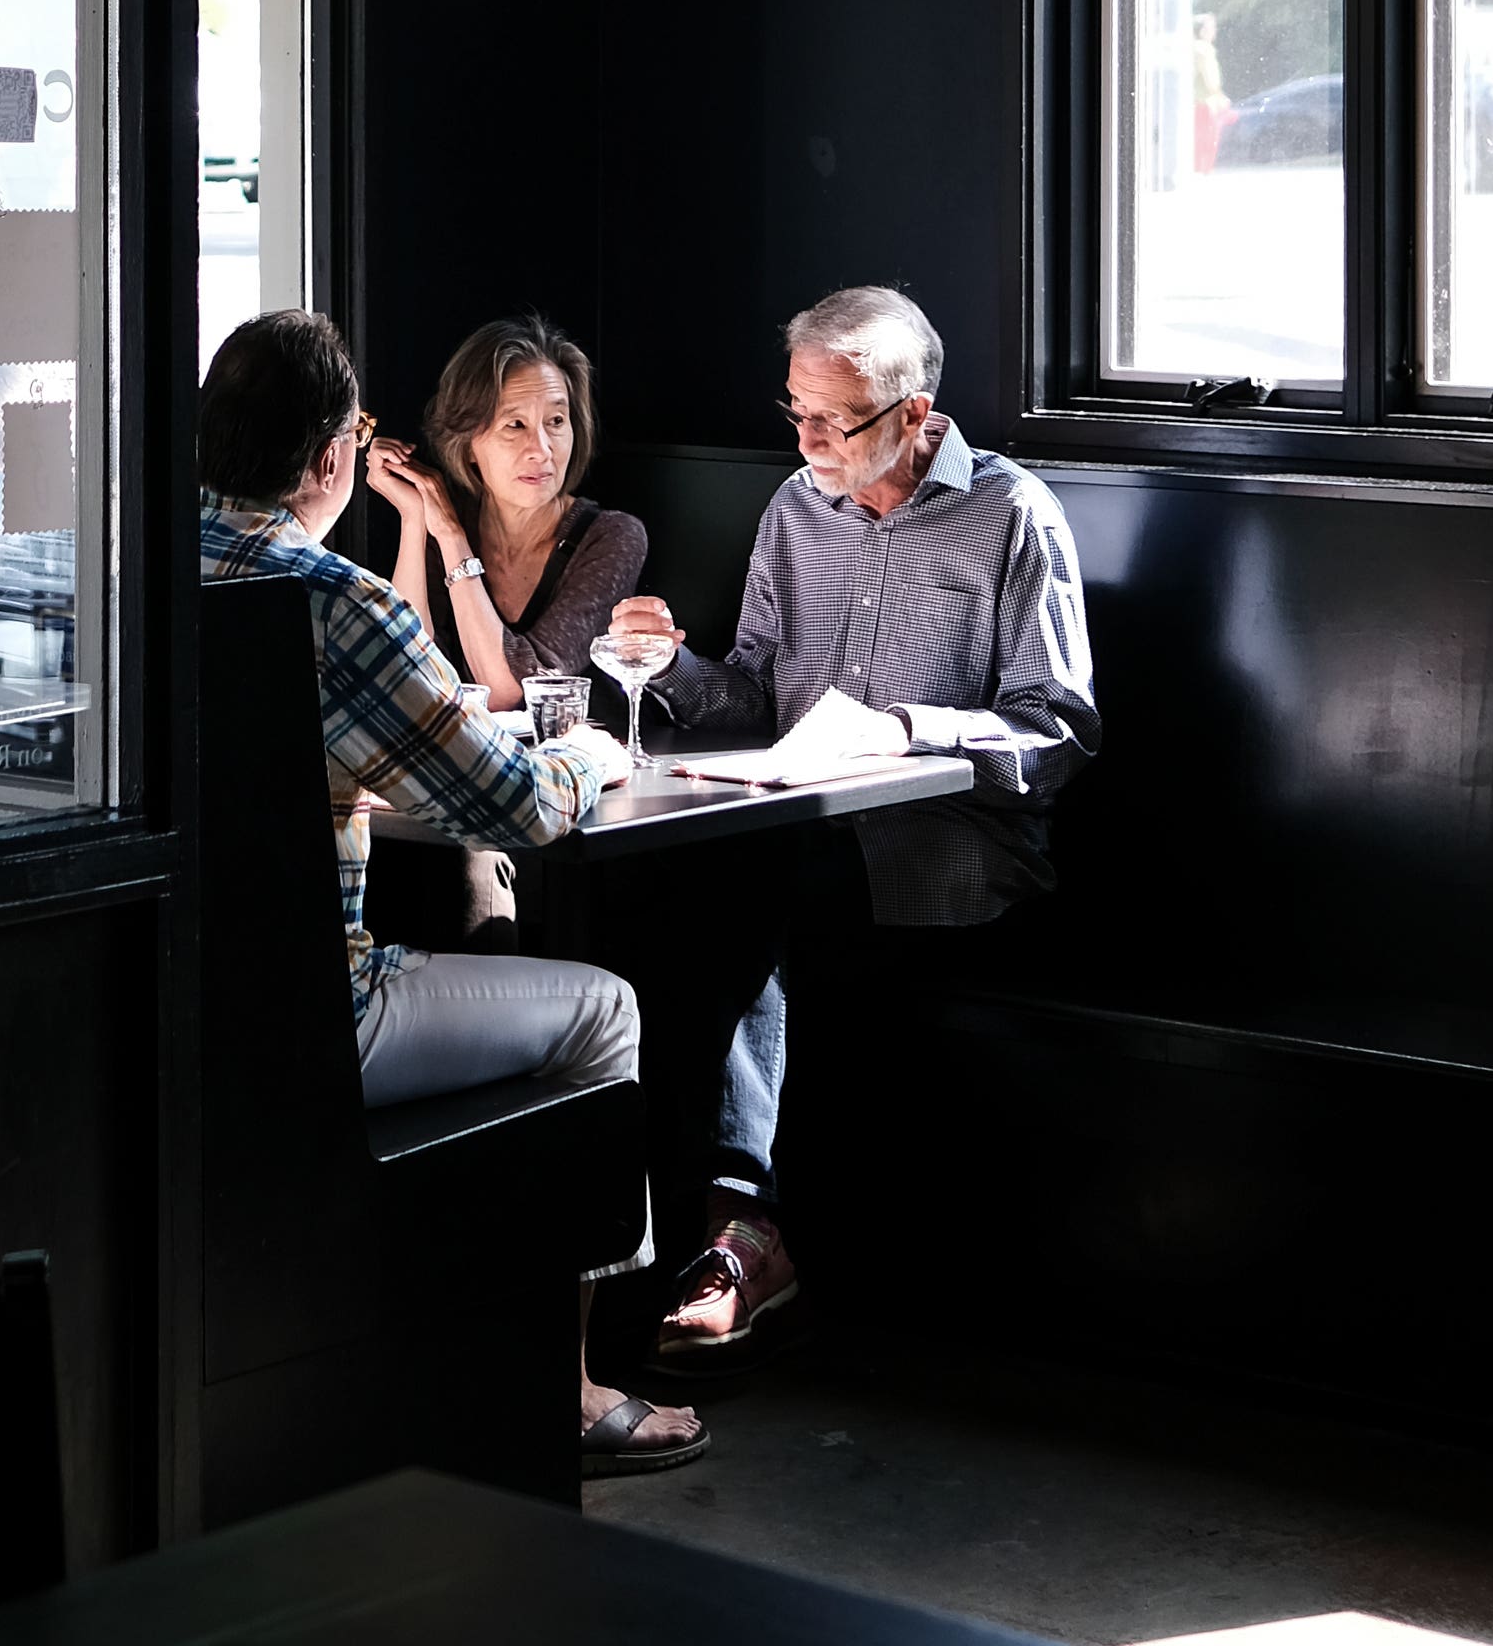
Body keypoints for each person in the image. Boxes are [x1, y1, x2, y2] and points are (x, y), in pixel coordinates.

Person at [196, 306, 705, 1475]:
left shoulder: (134, 565)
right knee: (603, 1010)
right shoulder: (333, 598)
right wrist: (593, 757)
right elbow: (514, 807)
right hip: (322, 1017)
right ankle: (567, 1388)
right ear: (333, 458)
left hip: (169, 1005)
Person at [603, 280, 1097, 1366]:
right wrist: (670, 667)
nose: (809, 442)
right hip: (797, 834)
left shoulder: (1011, 516)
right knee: (668, 895)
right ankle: (667, 1245)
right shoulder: (796, 510)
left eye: (836, 420)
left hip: (949, 849)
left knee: (739, 901)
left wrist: (909, 732)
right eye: (797, 413)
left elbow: (1058, 734)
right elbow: (754, 695)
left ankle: (737, 1235)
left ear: (915, 414)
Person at [367, 312, 645, 712]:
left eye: (556, 421)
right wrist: (414, 518)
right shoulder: (444, 521)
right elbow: (408, 673)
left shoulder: (612, 537)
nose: (542, 450)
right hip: (463, 751)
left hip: (576, 752)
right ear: (468, 443)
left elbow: (511, 691)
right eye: (515, 425)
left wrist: (451, 536)